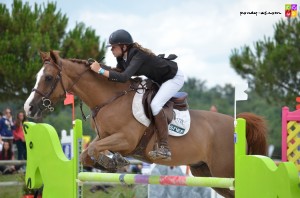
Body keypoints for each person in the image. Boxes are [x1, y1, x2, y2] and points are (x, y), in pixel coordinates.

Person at [90, 29, 184, 160]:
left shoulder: (138, 55)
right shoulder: (122, 58)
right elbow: (117, 72)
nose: (111, 50)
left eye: (114, 47)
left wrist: (99, 70)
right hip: (158, 80)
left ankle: (164, 147)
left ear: (124, 46)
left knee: (155, 105)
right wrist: (100, 68)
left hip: (173, 78)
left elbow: (123, 77)